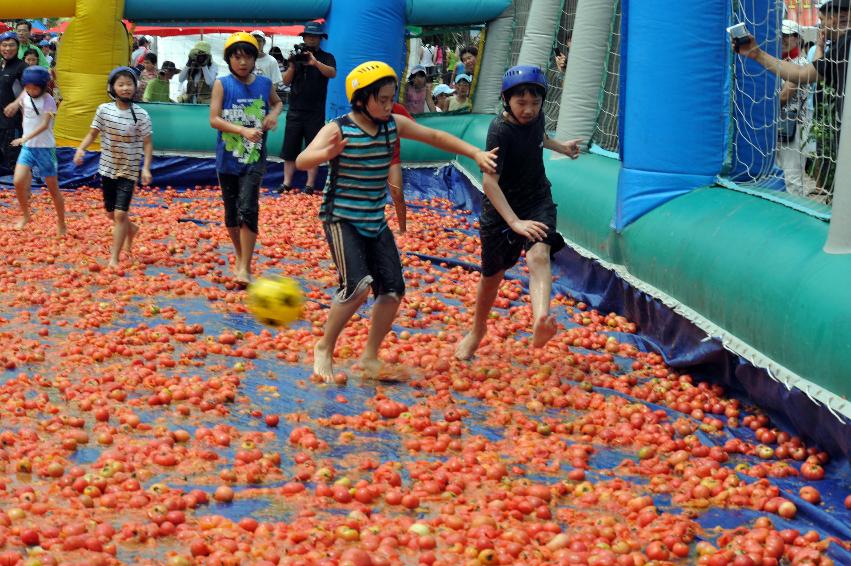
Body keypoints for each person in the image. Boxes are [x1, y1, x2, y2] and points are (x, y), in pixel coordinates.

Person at [295, 61, 497, 382]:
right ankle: (324, 346)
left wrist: (474, 153)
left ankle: (370, 355)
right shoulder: (338, 128)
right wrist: (324, 154)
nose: (389, 106)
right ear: (361, 98)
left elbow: (434, 136)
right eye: (383, 99)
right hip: (341, 218)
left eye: (392, 99)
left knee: (392, 292)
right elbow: (303, 158)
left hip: (374, 220)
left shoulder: (393, 125)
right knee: (358, 287)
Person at [455, 66, 582, 361]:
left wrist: (561, 147)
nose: (528, 110)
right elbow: (489, 183)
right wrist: (514, 222)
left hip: (537, 199)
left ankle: (540, 320)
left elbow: (539, 137)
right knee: (492, 277)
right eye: (521, 103)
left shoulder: (536, 118)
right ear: (506, 101)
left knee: (538, 255)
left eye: (535, 104)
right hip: (502, 210)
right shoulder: (500, 131)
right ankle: (477, 330)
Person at [209, 32, 283, 287]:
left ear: (255, 59)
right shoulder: (222, 83)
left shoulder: (263, 84)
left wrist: (273, 115)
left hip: (254, 157)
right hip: (227, 158)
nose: (242, 62)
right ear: (229, 59)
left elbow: (277, 103)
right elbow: (214, 119)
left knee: (249, 208)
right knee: (231, 214)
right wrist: (242, 130)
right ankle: (240, 257)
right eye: (237, 57)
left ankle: (246, 267)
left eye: (247, 57)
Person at [73, 67, 153, 268]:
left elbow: (148, 143)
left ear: (135, 87)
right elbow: (92, 134)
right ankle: (131, 228)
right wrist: (80, 149)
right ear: (112, 88)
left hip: (129, 169)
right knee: (111, 213)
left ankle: (114, 259)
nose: (126, 88)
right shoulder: (104, 110)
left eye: (129, 84)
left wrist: (146, 168)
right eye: (121, 84)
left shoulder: (141, 115)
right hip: (108, 168)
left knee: (119, 214)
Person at [736, 0, 851, 122]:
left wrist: (757, 54)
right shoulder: (836, 47)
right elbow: (807, 73)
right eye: (781, 35)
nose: (820, 25)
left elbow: (799, 78)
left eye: (821, 20)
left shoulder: (844, 45)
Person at [278, 22, 336, 193]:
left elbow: (332, 73)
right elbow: (285, 81)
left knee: (314, 148)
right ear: (304, 37)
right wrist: (292, 65)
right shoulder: (296, 57)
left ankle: (310, 185)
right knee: (290, 148)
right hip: (295, 110)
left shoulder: (326, 57)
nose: (312, 39)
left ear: (320, 39)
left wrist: (315, 63)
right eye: (309, 36)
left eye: (315, 36)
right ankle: (287, 183)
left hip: (316, 111)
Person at [7, 66, 65, 234]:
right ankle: (26, 215)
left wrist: (24, 138)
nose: (31, 90)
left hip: (45, 149)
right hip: (28, 149)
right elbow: (22, 95)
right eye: (28, 87)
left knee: (53, 189)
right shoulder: (26, 93)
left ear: (43, 86)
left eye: (35, 88)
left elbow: (45, 124)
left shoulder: (49, 100)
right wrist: (14, 103)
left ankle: (61, 222)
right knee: (18, 182)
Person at [777, 20, 809, 196]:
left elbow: (783, 96)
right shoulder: (779, 61)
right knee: (773, 176)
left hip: (795, 128)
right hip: (776, 126)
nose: (783, 39)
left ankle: (796, 220)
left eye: (787, 35)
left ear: (797, 38)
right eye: (780, 35)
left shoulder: (801, 63)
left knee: (792, 179)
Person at [1, 31, 27, 176]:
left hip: (12, 123)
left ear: (17, 47)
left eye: (11, 45)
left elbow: (30, 87)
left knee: (14, 158)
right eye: (4, 45)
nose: (7, 48)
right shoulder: (1, 65)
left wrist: (16, 103)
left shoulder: (21, 67)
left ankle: (22, 193)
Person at [389, 102, 413, 234]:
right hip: (370, 156)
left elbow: (411, 126)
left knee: (397, 192)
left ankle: (402, 229)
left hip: (392, 157)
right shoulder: (366, 108)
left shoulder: (397, 108)